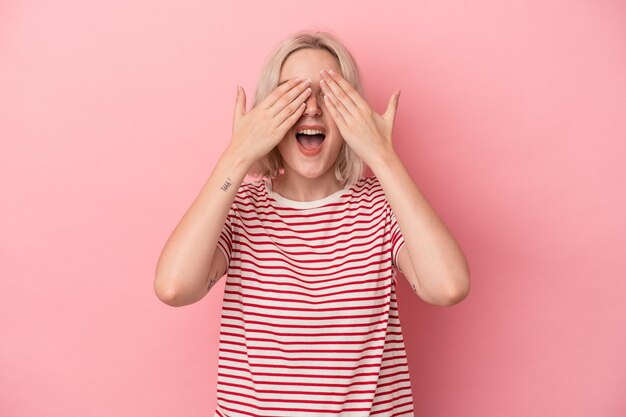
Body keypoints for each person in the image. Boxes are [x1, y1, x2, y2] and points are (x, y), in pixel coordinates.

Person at [155, 30, 470, 416]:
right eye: (293, 96)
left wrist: (381, 155)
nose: (312, 109)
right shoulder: (238, 210)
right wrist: (236, 156)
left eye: (328, 94)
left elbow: (448, 286)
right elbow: (174, 287)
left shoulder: (383, 208)